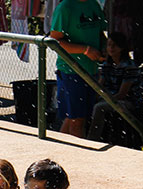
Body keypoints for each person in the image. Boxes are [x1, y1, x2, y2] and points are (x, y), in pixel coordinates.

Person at [50, 0, 107, 138]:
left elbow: (100, 33)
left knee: (75, 117)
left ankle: (58, 149)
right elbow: (55, 41)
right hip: (71, 71)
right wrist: (85, 50)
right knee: (77, 119)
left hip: (91, 70)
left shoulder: (93, 4)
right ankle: (79, 155)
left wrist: (104, 49)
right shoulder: (65, 7)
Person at [87, 32, 143, 142]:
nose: (111, 48)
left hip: (128, 101)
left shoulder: (129, 66)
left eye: (114, 45)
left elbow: (123, 94)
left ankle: (92, 140)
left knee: (99, 108)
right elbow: (100, 86)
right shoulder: (106, 65)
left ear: (122, 47)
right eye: (109, 45)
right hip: (110, 98)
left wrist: (106, 98)